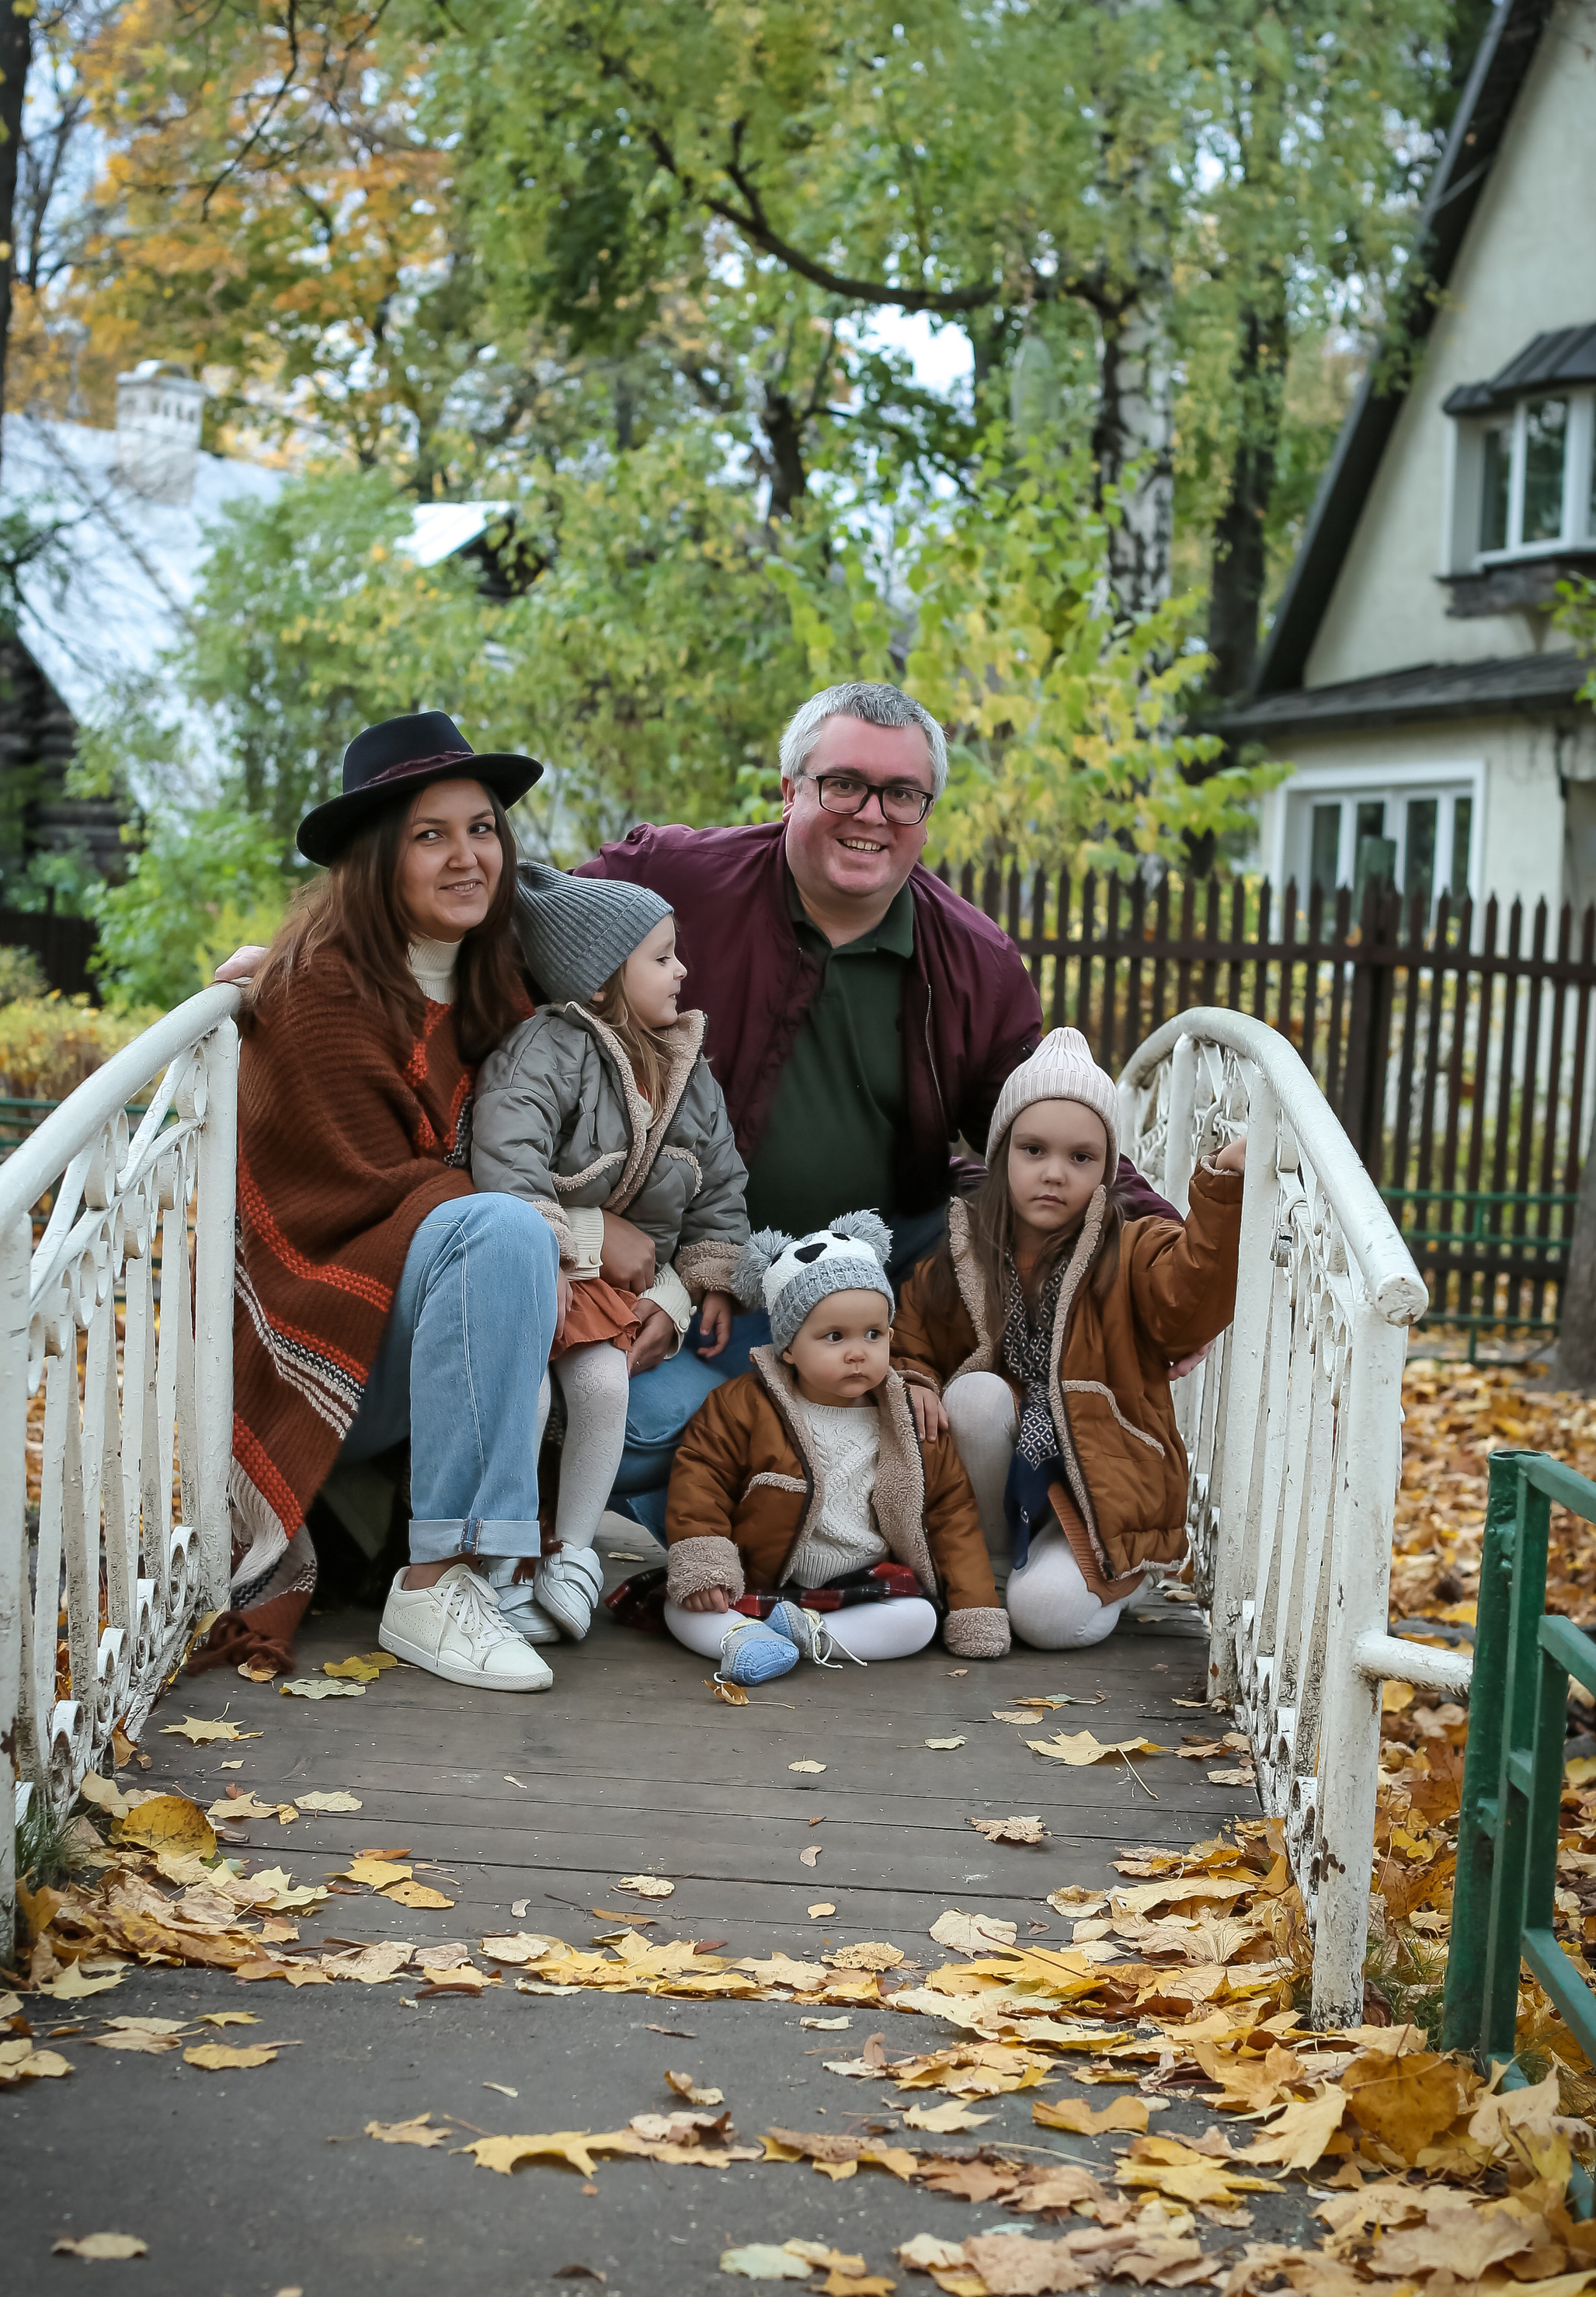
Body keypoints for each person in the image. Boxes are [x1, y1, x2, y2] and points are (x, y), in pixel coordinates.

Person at [580, 679, 1172, 1527]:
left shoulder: (975, 960)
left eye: (902, 794)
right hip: (709, 1277)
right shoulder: (673, 883)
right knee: (628, 1425)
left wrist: (1166, 1255)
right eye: (842, 784)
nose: (872, 815)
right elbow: (532, 934)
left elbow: (1045, 1128)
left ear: (926, 814)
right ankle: (767, 1493)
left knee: (1018, 1251)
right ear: (790, 791)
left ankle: (983, 1517)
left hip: (888, 1278)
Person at [215, 710, 565, 1697]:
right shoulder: (322, 993)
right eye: (430, 835)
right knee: (501, 1229)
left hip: (422, 1333)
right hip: (314, 1344)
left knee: (518, 1247)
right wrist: (568, 1227)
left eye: (483, 828)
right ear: (376, 859)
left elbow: (621, 916)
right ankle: (437, 1580)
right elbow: (361, 1199)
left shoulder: (498, 976)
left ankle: (505, 1562)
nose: (468, 858)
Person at [891, 1030, 1247, 1652]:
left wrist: (1220, 1189)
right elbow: (909, 1338)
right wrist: (915, 1379)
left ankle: (1084, 1575)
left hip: (1102, 1498)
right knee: (974, 1396)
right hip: (1000, 1490)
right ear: (1001, 1156)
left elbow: (1189, 1302)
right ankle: (990, 1575)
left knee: (1049, 1619)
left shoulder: (1130, 1249)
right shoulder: (961, 1253)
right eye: (1034, 1150)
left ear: (1106, 1171)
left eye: (1081, 1158)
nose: (1055, 1173)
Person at [468, 865, 750, 1637]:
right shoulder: (547, 1051)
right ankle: (501, 1562)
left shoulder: (687, 1074)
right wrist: (549, 1249)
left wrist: (704, 1280)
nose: (681, 970)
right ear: (600, 981)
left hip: (611, 1290)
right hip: (542, 1267)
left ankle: (574, 1553)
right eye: (660, 958)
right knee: (520, 1391)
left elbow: (718, 1181)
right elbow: (507, 1150)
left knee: (601, 1385)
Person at [662, 1211, 1006, 1684]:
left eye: (873, 1334)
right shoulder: (742, 1404)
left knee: (918, 1620)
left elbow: (951, 1512)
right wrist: (708, 1565)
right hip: (760, 1576)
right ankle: (744, 1639)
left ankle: (808, 1633)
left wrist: (975, 1607)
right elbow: (701, 1481)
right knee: (683, 1606)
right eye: (833, 1337)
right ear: (788, 1348)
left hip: (860, 1581)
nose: (857, 1352)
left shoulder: (907, 1416)